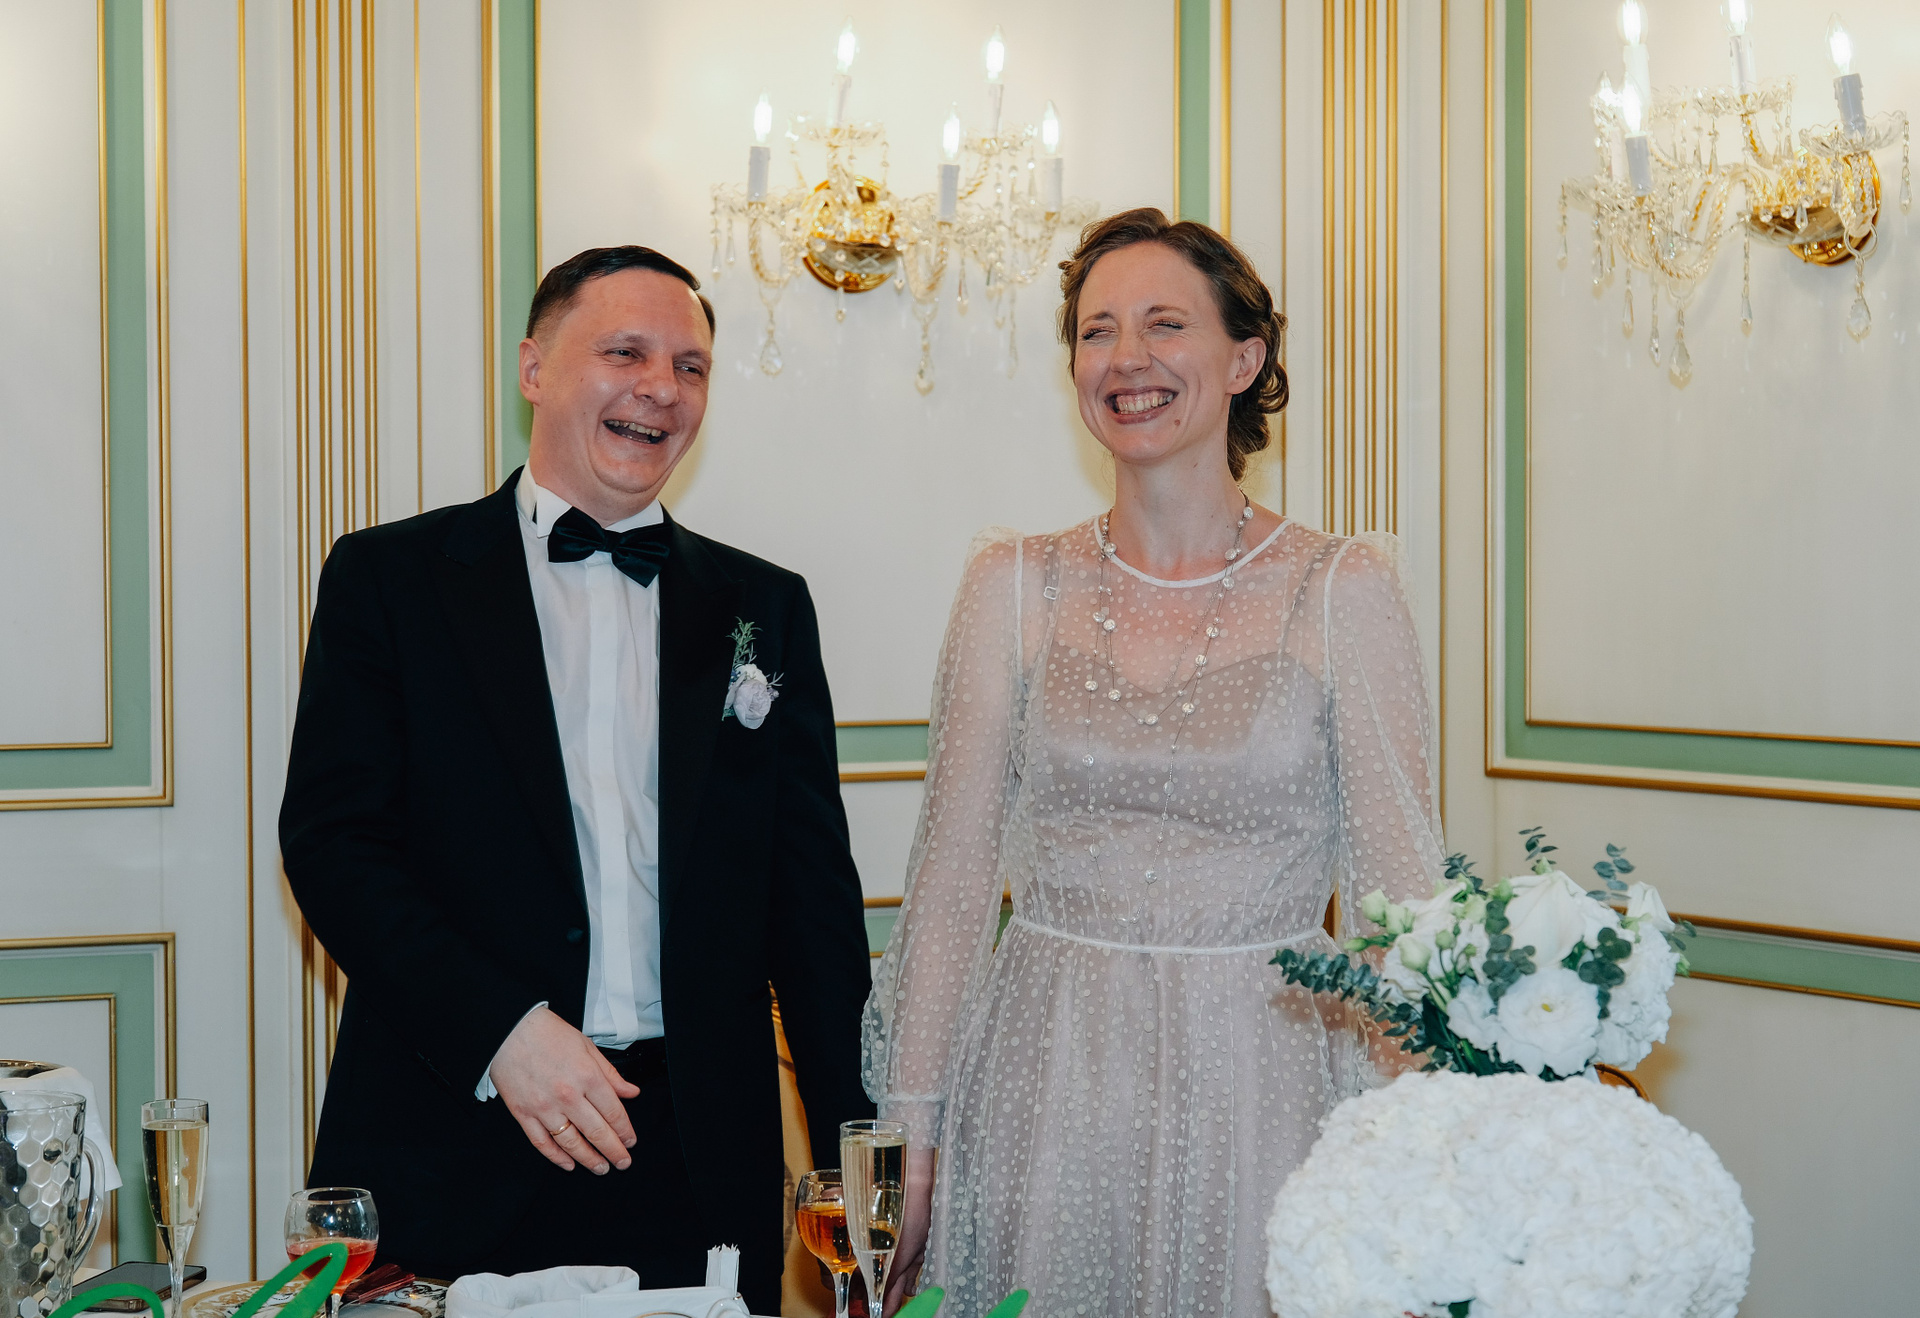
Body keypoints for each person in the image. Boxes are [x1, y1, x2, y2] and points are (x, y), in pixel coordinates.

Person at [862, 209, 1446, 1317]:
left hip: (1266, 1078)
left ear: (1245, 359)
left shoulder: (1344, 589)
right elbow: (949, 883)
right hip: (1047, 1073)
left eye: (1165, 324)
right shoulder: (1011, 585)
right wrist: (909, 1139)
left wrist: (1418, 1153)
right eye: (1098, 331)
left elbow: (1399, 906)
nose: (1126, 358)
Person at [280, 245, 875, 1312]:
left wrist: (854, 1159)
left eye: (690, 366)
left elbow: (813, 908)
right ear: (533, 369)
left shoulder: (765, 606)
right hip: (456, 1127)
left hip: (693, 1158)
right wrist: (501, 1032)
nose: (662, 388)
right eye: (625, 353)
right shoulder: (391, 579)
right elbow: (334, 843)